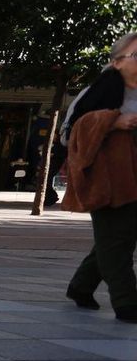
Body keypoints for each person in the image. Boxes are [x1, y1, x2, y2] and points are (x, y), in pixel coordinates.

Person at [62, 31, 137, 322]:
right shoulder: (97, 93)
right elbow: (69, 135)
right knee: (117, 242)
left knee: (118, 237)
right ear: (116, 62)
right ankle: (127, 303)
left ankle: (81, 286)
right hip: (108, 177)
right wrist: (111, 121)